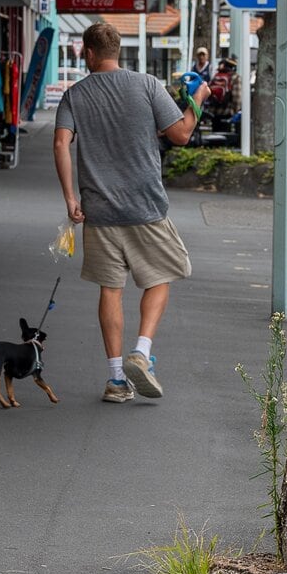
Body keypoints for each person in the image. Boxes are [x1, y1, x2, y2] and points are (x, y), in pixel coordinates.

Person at [53, 21, 204, 403]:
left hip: (99, 210)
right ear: (117, 50)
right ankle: (142, 348)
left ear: (88, 52)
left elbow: (60, 144)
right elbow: (182, 134)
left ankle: (117, 379)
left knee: (111, 289)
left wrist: (70, 198)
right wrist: (198, 98)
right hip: (146, 206)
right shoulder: (148, 85)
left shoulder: (75, 95)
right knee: (161, 275)